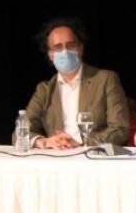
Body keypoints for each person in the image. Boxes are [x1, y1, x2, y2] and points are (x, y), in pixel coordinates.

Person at [25, 18, 130, 149]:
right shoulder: (44, 90)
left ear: (80, 49)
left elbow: (120, 129)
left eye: (70, 45)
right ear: (50, 55)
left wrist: (81, 143)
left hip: (94, 156)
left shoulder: (106, 79)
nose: (65, 52)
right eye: (58, 47)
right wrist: (43, 141)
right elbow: (20, 132)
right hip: (57, 156)